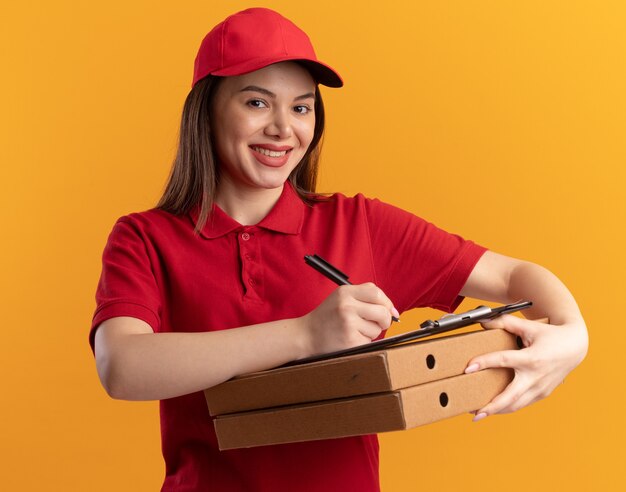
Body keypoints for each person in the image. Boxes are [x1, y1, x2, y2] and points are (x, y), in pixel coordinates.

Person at [90, 7, 588, 492]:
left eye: (301, 107)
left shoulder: (360, 224)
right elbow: (123, 366)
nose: (284, 129)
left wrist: (573, 335)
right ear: (207, 110)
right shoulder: (145, 238)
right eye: (257, 102)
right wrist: (306, 334)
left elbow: (513, 277)